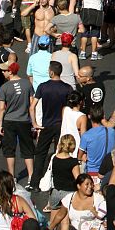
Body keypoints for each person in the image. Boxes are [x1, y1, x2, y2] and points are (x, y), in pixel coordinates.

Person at [29, 61, 72, 191]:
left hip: (46, 126)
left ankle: (35, 183)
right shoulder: (67, 88)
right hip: (61, 125)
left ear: (52, 72)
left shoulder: (43, 87)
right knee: (60, 153)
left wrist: (35, 124)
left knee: (40, 154)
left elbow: (32, 107)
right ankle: (58, 182)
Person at [0, 62, 35, 189]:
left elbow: (1, 108)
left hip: (9, 121)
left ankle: (12, 177)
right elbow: (31, 104)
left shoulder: (4, 87)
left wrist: (0, 124)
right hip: (24, 120)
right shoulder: (27, 84)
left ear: (10, 72)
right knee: (27, 149)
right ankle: (31, 176)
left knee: (10, 150)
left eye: (4, 71)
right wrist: (33, 122)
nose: (3, 72)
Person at [77, 106, 114, 186]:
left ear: (89, 116)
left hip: (92, 172)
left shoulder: (86, 136)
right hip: (108, 171)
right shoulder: (111, 132)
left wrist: (83, 156)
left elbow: (79, 156)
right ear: (103, 116)